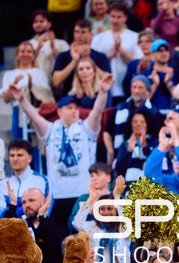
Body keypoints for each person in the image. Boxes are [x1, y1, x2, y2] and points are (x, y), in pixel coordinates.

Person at [9, 72, 114, 224]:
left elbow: (97, 113)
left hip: (82, 193)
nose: (74, 111)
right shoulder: (51, 130)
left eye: (76, 108)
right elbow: (34, 117)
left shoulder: (86, 128)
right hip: (57, 195)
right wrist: (22, 99)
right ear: (59, 112)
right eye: (69, 107)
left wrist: (103, 92)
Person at [3, 187, 66, 263]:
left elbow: (52, 244)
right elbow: (7, 232)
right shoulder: (21, 225)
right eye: (24, 202)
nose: (27, 205)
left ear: (43, 202)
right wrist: (13, 205)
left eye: (31, 200)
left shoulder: (56, 225)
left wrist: (42, 217)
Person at [0, 41, 54, 140]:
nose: (25, 54)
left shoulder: (40, 73)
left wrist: (31, 86)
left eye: (29, 52)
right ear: (17, 55)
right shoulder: (9, 74)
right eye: (22, 51)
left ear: (33, 55)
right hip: (18, 110)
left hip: (37, 111)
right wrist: (14, 84)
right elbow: (6, 99)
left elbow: (45, 95)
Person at [91, 2, 142, 103]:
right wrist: (110, 55)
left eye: (119, 17)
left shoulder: (135, 37)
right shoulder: (98, 38)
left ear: (125, 18)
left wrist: (121, 51)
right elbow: (92, 62)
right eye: (112, 16)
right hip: (104, 84)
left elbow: (139, 62)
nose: (115, 20)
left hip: (127, 84)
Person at [0, 140, 50, 217]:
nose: (15, 159)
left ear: (29, 158)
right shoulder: (2, 184)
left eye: (19, 155)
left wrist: (11, 209)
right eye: (12, 155)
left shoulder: (42, 181)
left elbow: (43, 211)